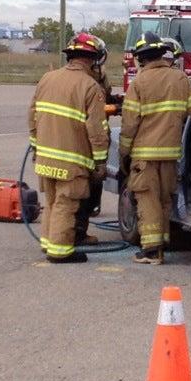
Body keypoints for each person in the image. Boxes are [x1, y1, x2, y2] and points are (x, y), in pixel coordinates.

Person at [120, 31, 191, 264]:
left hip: (144, 154)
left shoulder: (139, 82)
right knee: (164, 199)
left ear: (141, 58)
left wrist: (124, 152)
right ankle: (162, 244)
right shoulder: (180, 78)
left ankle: (151, 251)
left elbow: (129, 123)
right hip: (171, 153)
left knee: (147, 199)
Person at [28, 32, 110, 263]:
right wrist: (100, 161)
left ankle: (48, 242)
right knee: (66, 203)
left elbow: (32, 116)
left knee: (52, 202)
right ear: (93, 59)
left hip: (45, 158)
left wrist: (36, 147)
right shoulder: (90, 86)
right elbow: (97, 129)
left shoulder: (47, 78)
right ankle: (60, 251)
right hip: (72, 161)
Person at [74, 44, 123, 246]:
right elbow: (96, 114)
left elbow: (105, 97)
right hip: (87, 141)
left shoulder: (98, 76)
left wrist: (116, 100)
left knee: (89, 189)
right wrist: (112, 108)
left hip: (89, 140)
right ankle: (77, 232)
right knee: (81, 190)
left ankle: (77, 230)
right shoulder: (85, 81)